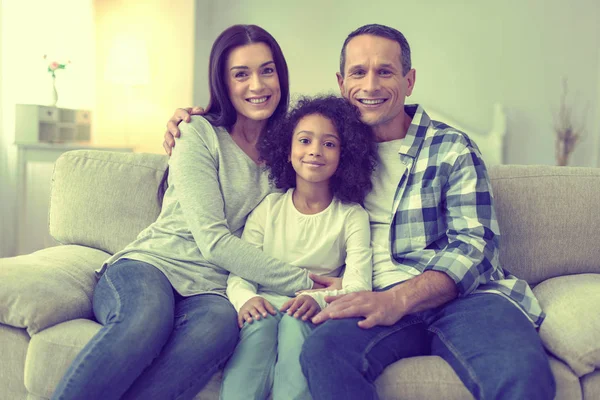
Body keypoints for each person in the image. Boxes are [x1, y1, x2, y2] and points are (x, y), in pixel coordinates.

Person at [164, 24, 555, 400]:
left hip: (464, 299)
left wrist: (398, 298)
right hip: (370, 300)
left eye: (385, 71)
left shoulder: (451, 148)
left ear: (409, 80)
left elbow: (477, 246)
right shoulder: (330, 151)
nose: (370, 86)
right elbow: (260, 139)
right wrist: (194, 119)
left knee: (521, 374)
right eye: (358, 72)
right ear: (341, 83)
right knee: (324, 353)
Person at [51, 24, 319, 400]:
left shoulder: (292, 147)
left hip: (214, 289)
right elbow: (213, 240)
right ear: (223, 83)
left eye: (267, 70)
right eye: (241, 74)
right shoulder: (197, 133)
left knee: (219, 330)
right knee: (146, 319)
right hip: (152, 265)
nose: (257, 85)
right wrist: (306, 282)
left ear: (280, 75)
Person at [220, 95, 376, 400]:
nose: (315, 151)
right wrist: (246, 300)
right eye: (304, 140)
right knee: (259, 328)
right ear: (288, 150)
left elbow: (359, 286)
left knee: (295, 323)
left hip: (313, 312)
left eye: (329, 144)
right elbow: (242, 269)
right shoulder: (268, 208)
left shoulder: (352, 216)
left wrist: (317, 299)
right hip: (264, 305)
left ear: (344, 155)